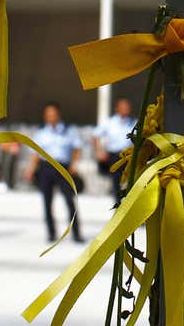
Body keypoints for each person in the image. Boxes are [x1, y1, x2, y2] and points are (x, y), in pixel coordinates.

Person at [28, 103, 84, 243]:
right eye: (48, 114)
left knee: (70, 201)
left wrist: (74, 165)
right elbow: (36, 154)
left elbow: (76, 148)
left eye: (53, 113)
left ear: (58, 114)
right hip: (45, 168)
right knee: (47, 202)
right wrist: (31, 169)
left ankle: (76, 233)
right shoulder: (41, 132)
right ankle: (51, 233)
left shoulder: (68, 130)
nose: (51, 117)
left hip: (62, 167)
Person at [93, 97, 136, 181]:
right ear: (117, 108)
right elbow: (95, 135)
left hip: (129, 156)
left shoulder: (134, 123)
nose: (125, 109)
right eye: (123, 107)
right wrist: (99, 151)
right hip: (114, 156)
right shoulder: (110, 122)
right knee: (116, 180)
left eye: (127, 107)